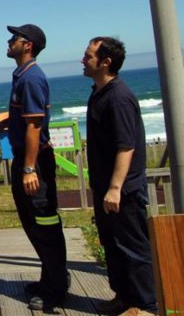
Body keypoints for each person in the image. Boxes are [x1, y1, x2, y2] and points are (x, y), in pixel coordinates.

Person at [0, 25, 68, 310]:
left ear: (28, 46)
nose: (9, 42)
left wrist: (30, 169)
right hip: (26, 159)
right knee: (32, 223)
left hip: (34, 163)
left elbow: (35, 126)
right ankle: (50, 278)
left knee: (44, 224)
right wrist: (4, 125)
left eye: (14, 39)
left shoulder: (32, 78)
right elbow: (24, 118)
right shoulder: (21, 76)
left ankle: (56, 288)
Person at [82, 37, 156, 316]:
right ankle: (125, 297)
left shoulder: (119, 97)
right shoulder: (99, 92)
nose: (82, 60)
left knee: (133, 249)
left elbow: (126, 146)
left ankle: (147, 305)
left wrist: (115, 188)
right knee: (112, 246)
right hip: (106, 189)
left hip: (124, 191)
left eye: (88, 56)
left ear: (105, 62)